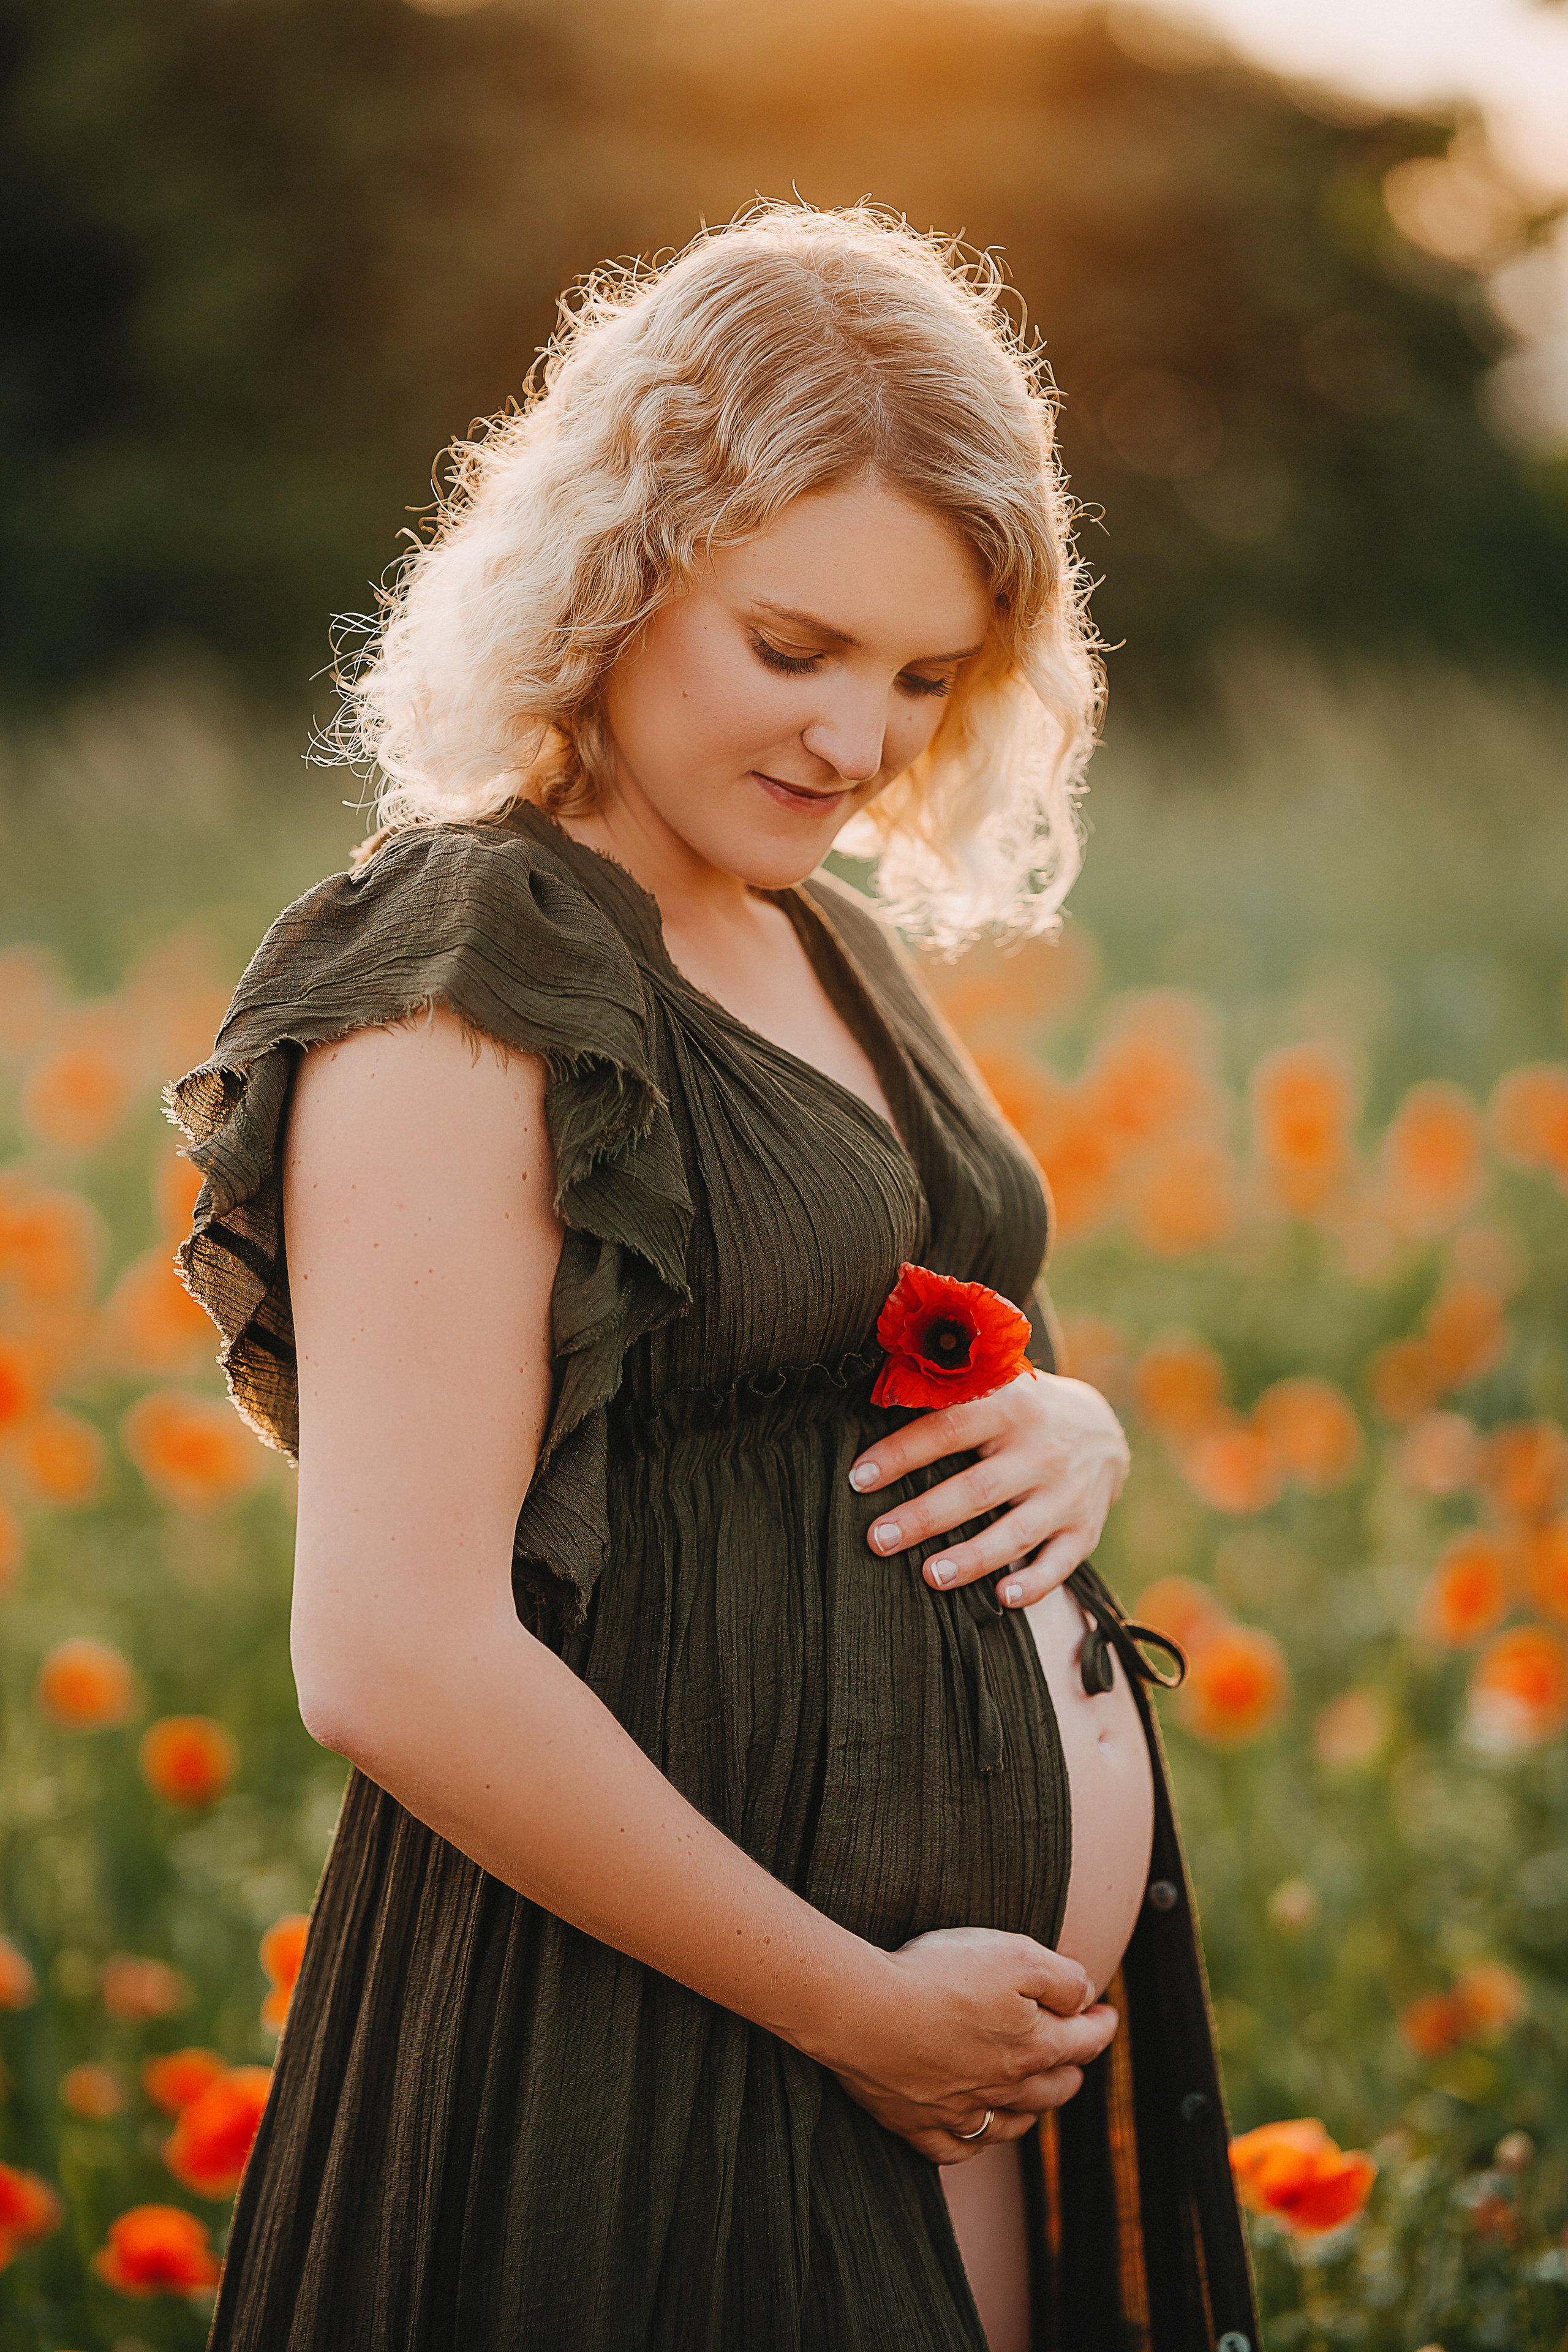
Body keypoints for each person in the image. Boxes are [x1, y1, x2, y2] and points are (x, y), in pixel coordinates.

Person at [168, 203, 1259, 2351]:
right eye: (799, 647)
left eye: (927, 677)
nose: (861, 743)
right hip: (664, 2035)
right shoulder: (462, 974)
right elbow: (389, 1653)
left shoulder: (815, 931)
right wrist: (854, 2005)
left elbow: (856, 1361)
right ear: (619, 568)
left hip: (947, 2055)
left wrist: (1070, 1422)